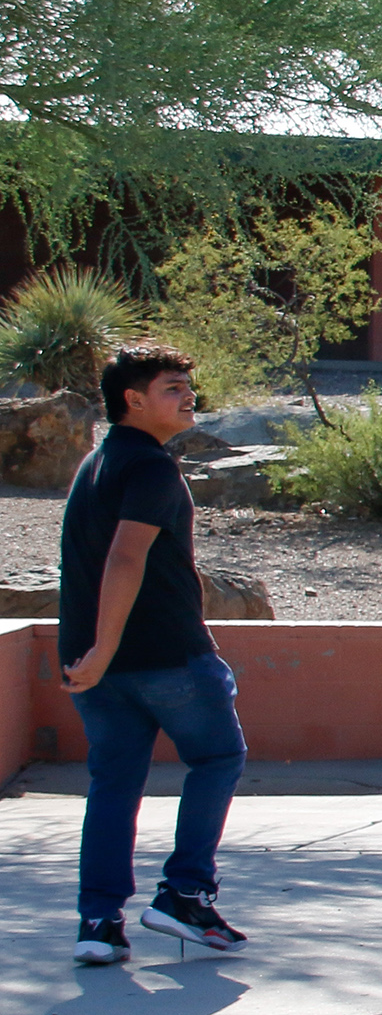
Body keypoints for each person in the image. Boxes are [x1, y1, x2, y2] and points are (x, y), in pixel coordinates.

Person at [57, 343, 247, 966]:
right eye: (172, 387)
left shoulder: (96, 464)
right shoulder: (152, 470)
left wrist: (94, 654)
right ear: (133, 400)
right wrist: (107, 648)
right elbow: (125, 557)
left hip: (97, 666)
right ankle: (185, 892)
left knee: (113, 783)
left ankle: (98, 922)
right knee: (218, 757)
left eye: (186, 386)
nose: (188, 396)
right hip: (163, 656)